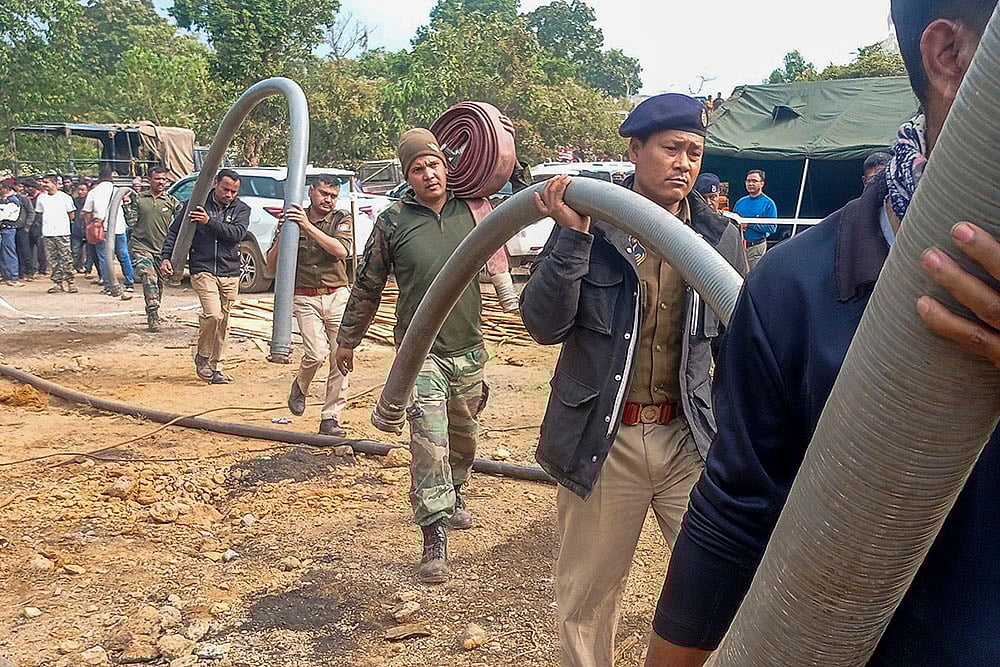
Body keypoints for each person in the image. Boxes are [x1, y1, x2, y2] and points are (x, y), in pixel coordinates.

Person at [644, 0, 1000, 665]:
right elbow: (736, 509)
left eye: (696, 151)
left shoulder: (741, 248)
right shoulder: (794, 288)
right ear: (950, 56)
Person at [519, 93, 747, 667]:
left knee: (722, 583)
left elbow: (740, 342)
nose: (684, 163)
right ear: (636, 149)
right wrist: (571, 237)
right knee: (588, 599)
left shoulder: (719, 238)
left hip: (688, 439)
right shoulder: (591, 221)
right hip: (606, 437)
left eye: (694, 152)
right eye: (671, 149)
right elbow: (543, 325)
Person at [335, 129, 488, 585]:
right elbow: (367, 285)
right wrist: (348, 338)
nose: (428, 174)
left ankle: (455, 490)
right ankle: (433, 536)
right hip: (419, 354)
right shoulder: (393, 221)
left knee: (464, 440)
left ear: (446, 166)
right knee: (428, 444)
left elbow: (517, 187)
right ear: (407, 177)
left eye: (433, 164)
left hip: (469, 349)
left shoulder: (475, 211)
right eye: (417, 169)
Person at [265, 175, 354, 437]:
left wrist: (307, 227)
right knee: (316, 353)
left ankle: (331, 418)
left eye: (333, 196)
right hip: (305, 296)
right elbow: (270, 268)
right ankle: (301, 385)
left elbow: (341, 251)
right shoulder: (292, 220)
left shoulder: (340, 219)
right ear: (311, 191)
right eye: (324, 193)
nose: (328, 200)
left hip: (337, 294)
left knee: (342, 358)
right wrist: (285, 234)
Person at [160, 169, 249, 384]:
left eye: (233, 191)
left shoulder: (242, 209)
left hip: (230, 272)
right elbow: (175, 232)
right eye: (225, 189)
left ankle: (216, 366)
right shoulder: (196, 204)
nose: (229, 195)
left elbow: (236, 234)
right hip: (203, 268)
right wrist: (166, 257)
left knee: (224, 321)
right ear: (215, 183)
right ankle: (202, 356)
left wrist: (209, 222)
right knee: (213, 315)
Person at [124, 166, 180, 332]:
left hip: (162, 250)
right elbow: (131, 223)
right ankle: (153, 310)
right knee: (149, 276)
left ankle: (153, 314)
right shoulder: (140, 199)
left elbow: (182, 222)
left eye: (164, 179)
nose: (161, 182)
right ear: (149, 180)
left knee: (158, 283)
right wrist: (127, 206)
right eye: (158, 179)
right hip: (141, 246)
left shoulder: (171, 201)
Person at [83, 168, 135, 298]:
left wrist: (90, 225)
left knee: (104, 257)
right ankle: (130, 283)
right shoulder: (118, 190)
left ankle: (108, 285)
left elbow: (87, 212)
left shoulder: (94, 192)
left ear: (99, 178)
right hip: (119, 227)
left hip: (102, 229)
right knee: (123, 255)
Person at [34, 174, 78, 293]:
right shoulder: (41, 198)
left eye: (47, 182)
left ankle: (70, 282)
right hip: (48, 232)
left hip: (62, 232)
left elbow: (71, 215)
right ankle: (58, 283)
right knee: (53, 259)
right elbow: (39, 213)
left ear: (54, 184)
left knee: (66, 258)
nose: (44, 184)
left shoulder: (65, 198)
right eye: (43, 182)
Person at [732, 169, 778, 269]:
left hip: (756, 248)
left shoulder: (768, 204)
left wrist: (748, 224)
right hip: (739, 248)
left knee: (754, 277)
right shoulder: (740, 202)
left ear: (762, 183)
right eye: (748, 181)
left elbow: (772, 227)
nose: (751, 184)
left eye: (754, 181)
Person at [0, 179, 23, 287]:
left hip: (8, 228)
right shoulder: (4, 200)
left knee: (9, 252)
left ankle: (13, 276)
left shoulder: (13, 201)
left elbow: (4, 216)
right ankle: (7, 275)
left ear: (6, 189)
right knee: (4, 253)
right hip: (4, 228)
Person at [12, 179, 35, 281]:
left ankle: (29, 272)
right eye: (19, 186)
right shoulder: (10, 198)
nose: (21, 189)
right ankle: (20, 273)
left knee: (25, 250)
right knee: (16, 251)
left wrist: (27, 225)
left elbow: (31, 212)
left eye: (22, 187)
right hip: (12, 228)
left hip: (22, 228)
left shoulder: (24, 198)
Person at [74, 182, 97, 276]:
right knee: (75, 250)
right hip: (77, 228)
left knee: (90, 251)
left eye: (83, 190)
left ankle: (88, 269)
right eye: (79, 190)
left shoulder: (91, 201)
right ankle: (75, 267)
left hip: (89, 228)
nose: (80, 192)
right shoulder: (74, 201)